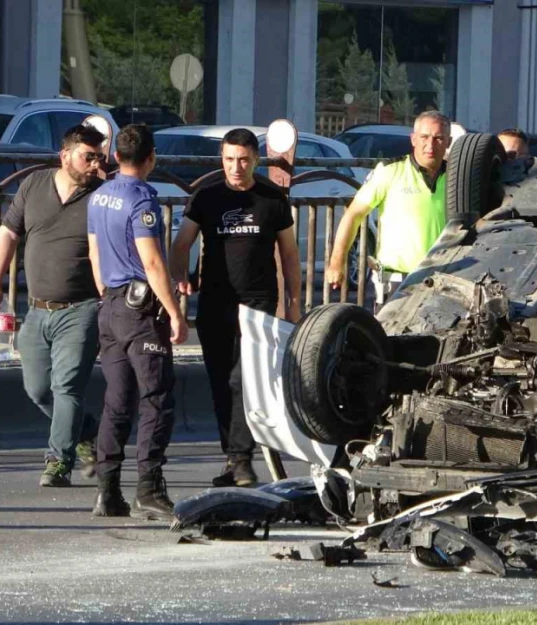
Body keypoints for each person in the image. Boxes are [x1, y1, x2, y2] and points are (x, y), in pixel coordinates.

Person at [169, 128, 301, 488]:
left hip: (258, 301)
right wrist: (179, 276)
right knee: (220, 382)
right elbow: (182, 243)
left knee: (244, 380)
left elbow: (289, 255)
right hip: (215, 301)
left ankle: (242, 460)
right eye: (229, 159)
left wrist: (293, 302)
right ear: (222, 160)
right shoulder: (206, 197)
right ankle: (233, 457)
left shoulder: (272, 198)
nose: (236, 167)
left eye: (243, 160)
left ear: (256, 160)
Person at [0, 124, 106, 488]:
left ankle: (57, 461)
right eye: (88, 157)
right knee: (38, 389)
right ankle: (86, 431)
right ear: (65, 155)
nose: (95, 165)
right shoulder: (34, 186)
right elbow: (8, 233)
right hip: (36, 310)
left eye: (99, 157)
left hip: (83, 308)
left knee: (67, 386)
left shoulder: (100, 196)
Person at [87, 123, 188, 519]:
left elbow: (95, 255)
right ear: (152, 159)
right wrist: (175, 312)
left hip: (110, 306)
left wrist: (107, 298)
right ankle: (148, 488)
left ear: (115, 157)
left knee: (117, 401)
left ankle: (108, 491)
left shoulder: (99, 196)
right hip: (140, 310)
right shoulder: (142, 200)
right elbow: (151, 261)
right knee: (156, 398)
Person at [326, 111, 451, 303]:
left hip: (444, 279)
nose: (430, 145)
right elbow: (353, 215)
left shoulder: (456, 177)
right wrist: (337, 261)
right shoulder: (390, 171)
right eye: (424, 137)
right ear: (413, 139)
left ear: (448, 142)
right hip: (396, 282)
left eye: (438, 138)